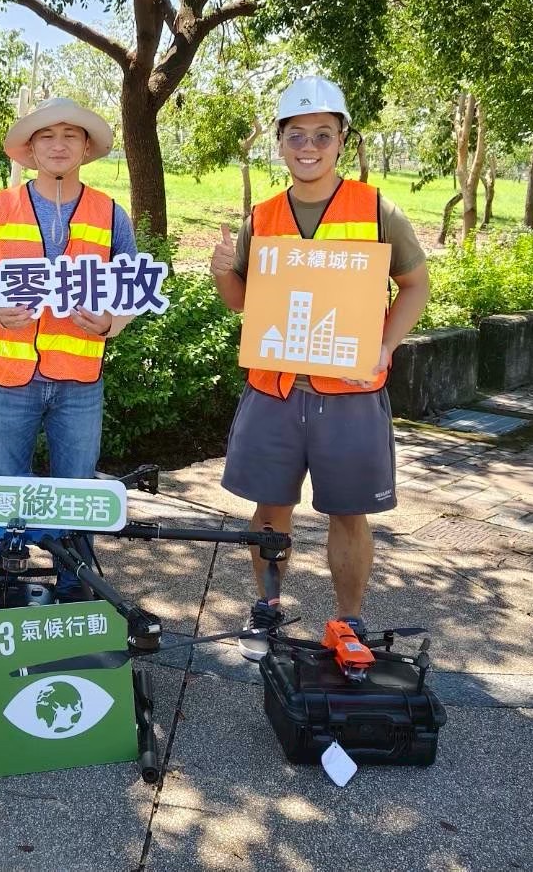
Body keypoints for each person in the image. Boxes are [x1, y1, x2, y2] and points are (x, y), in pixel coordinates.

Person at [210, 75, 430, 640]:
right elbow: (243, 302)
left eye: (322, 136)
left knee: (348, 514)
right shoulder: (261, 216)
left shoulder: (377, 209)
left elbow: (414, 285)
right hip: (275, 391)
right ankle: (268, 606)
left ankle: (349, 618)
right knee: (269, 510)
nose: (309, 147)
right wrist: (218, 275)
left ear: (341, 141)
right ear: (281, 143)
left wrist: (383, 344)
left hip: (350, 395)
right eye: (297, 135)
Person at [0, 97, 138, 599]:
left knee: (76, 492)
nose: (59, 145)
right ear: (31, 148)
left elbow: (129, 288)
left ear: (86, 148)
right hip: (12, 378)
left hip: (80, 381)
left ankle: (72, 587)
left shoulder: (110, 213)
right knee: (6, 487)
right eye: (47, 136)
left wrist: (112, 324)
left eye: (70, 136)